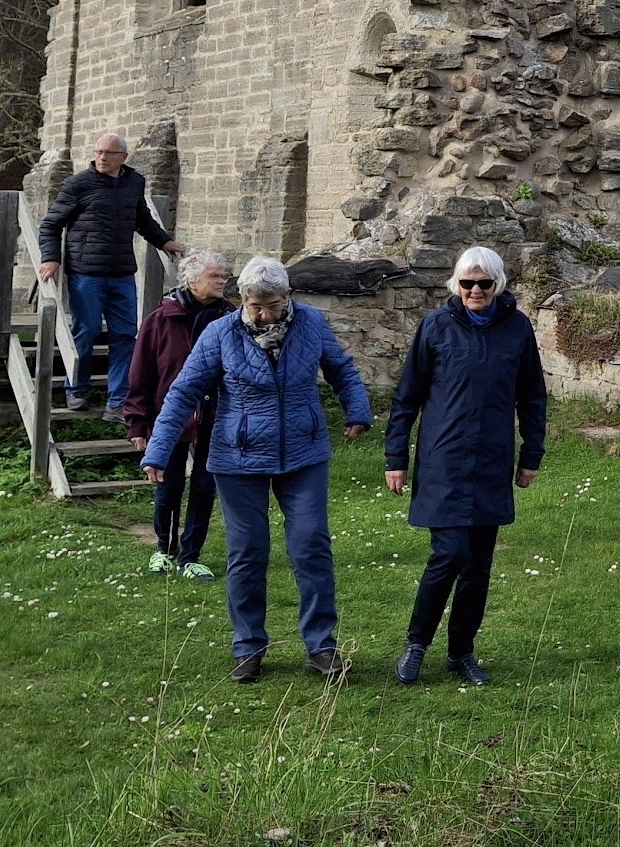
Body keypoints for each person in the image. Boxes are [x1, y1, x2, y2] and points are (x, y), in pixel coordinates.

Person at [141, 256, 371, 684]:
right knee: (247, 552)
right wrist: (158, 449)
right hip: (237, 457)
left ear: (288, 297)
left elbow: (341, 367)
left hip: (303, 452)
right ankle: (249, 647)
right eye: (254, 306)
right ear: (241, 299)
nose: (264, 314)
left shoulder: (311, 323)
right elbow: (183, 391)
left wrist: (357, 408)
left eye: (272, 305)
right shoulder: (220, 333)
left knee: (311, 545)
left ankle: (321, 646)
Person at [383, 246, 548, 687]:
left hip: (491, 460)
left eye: (484, 284)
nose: (475, 290)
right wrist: (395, 457)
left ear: (498, 286)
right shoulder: (436, 327)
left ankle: (461, 652)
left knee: (478, 565)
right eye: (467, 283)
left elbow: (532, 396)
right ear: (456, 285)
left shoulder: (517, 329)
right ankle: (417, 644)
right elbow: (407, 397)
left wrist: (532, 454)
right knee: (449, 554)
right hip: (444, 458)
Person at [38, 133, 187, 413]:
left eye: (109, 153)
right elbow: (50, 225)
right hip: (86, 271)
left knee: (125, 334)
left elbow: (142, 219)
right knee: (87, 330)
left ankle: (117, 399)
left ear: (123, 157)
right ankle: (76, 389)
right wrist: (50, 258)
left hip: (121, 271)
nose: (102, 158)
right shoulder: (77, 184)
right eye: (99, 152)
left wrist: (164, 241)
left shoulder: (134, 182)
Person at [125, 250, 232, 580]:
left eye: (224, 275)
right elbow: (141, 372)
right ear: (192, 280)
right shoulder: (161, 319)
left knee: (204, 485)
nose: (223, 281)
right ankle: (163, 550)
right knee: (168, 486)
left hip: (217, 414)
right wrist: (137, 421)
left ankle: (191, 556)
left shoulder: (229, 318)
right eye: (215, 276)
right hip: (170, 416)